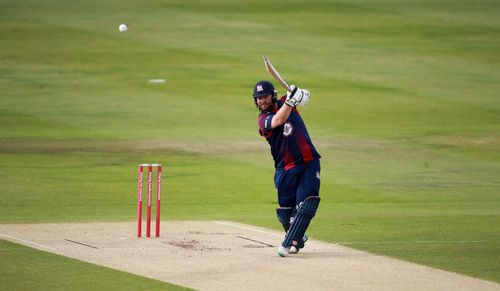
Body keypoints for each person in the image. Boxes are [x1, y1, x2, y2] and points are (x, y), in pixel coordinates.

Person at [253, 80, 321, 257]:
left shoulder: (286, 102)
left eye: (265, 97)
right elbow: (279, 119)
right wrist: (292, 100)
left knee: (307, 205)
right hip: (285, 169)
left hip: (308, 162)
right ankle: (296, 239)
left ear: (273, 95)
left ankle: (287, 243)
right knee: (286, 213)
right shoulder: (263, 120)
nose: (262, 101)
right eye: (258, 99)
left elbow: (300, 95)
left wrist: (302, 94)